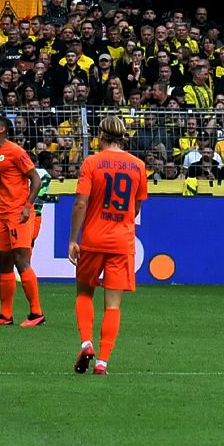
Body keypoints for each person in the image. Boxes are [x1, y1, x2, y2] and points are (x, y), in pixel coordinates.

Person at [69, 117, 148, 376]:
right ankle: (102, 361)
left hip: (94, 239)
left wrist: (73, 239)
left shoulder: (92, 163)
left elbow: (81, 203)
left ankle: (86, 343)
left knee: (84, 294)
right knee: (113, 305)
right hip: (122, 241)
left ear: (101, 136)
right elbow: (136, 207)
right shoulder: (138, 166)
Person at [0, 117, 47, 327]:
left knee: (21, 259)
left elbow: (36, 179)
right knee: (4, 261)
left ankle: (36, 313)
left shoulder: (16, 151)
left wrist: (28, 206)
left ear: (2, 129)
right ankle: (5, 315)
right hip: (4, 213)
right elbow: (3, 185)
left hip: (19, 213)